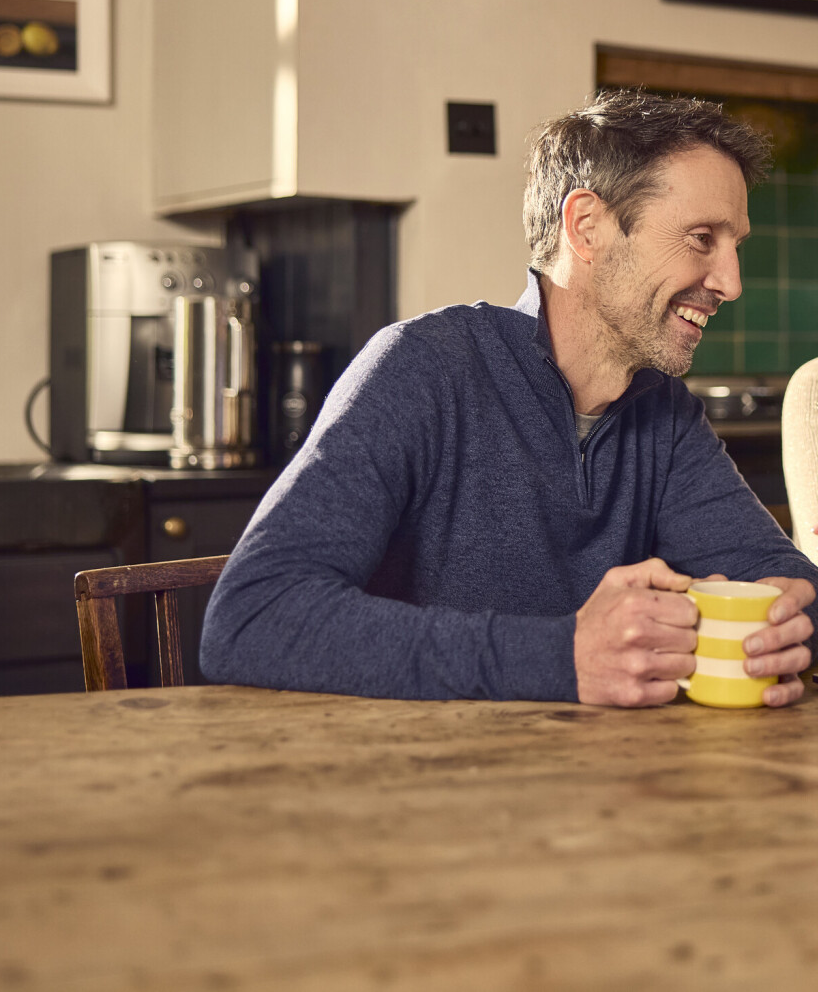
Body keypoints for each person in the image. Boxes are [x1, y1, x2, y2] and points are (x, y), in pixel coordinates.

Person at [200, 90, 818, 707]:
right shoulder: (423, 368)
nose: (730, 283)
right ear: (587, 226)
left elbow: (785, 582)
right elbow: (254, 617)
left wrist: (795, 628)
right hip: (416, 785)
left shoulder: (666, 415)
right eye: (701, 237)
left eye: (735, 245)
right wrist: (564, 657)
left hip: (603, 786)